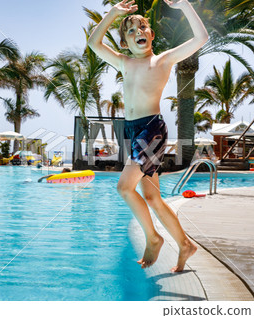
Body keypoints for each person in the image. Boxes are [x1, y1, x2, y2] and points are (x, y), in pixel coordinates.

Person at [88, 0, 208, 272]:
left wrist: (185, 5)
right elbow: (94, 44)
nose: (138, 31)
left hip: (151, 129)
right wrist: (113, 14)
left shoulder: (163, 60)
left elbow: (202, 38)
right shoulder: (124, 62)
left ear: (152, 34)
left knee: (123, 187)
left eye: (143, 26)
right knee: (152, 197)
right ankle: (185, 244)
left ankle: (153, 238)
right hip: (131, 130)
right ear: (124, 44)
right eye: (130, 31)